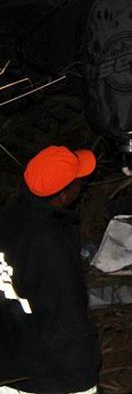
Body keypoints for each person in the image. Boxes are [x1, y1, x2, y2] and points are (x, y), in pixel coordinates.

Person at [0, 146, 101, 393]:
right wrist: (83, 375)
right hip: (46, 375)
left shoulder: (8, 218)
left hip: (8, 364)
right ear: (63, 195)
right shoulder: (49, 242)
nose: (83, 184)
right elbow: (64, 316)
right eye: (78, 181)